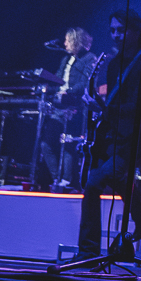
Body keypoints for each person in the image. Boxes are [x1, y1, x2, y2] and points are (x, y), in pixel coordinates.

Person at [75, 10, 141, 257]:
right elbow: (116, 103)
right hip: (115, 137)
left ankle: (88, 252)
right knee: (98, 183)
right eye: (112, 30)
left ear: (136, 31)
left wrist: (105, 108)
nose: (115, 35)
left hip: (140, 138)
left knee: (97, 181)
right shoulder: (115, 64)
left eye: (121, 30)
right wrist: (98, 106)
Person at [39, 26, 96, 191]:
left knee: (69, 144)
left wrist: (68, 91)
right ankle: (57, 177)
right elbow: (58, 79)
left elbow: (86, 83)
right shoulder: (65, 60)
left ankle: (66, 180)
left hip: (75, 106)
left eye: (67, 40)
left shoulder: (89, 58)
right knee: (46, 144)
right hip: (59, 106)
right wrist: (49, 87)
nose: (64, 43)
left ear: (76, 41)